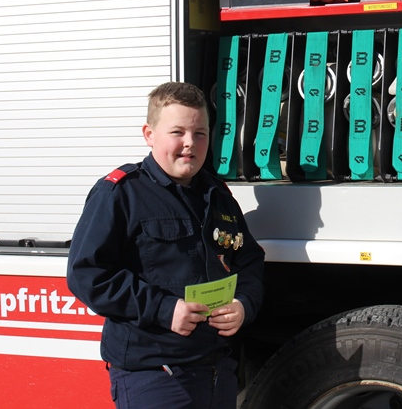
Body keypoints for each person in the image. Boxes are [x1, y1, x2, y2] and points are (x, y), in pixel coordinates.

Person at [67, 81, 265, 409]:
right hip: (156, 377)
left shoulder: (218, 195)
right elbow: (88, 274)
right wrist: (164, 309)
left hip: (217, 372)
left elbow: (249, 261)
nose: (190, 143)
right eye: (177, 132)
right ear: (149, 134)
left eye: (200, 133)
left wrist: (243, 304)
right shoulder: (121, 194)